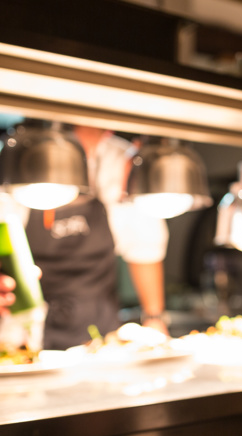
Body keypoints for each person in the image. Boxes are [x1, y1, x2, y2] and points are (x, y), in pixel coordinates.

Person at [1, 121, 170, 350]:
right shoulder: (15, 154)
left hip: (104, 336)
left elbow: (144, 248)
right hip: (27, 335)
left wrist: (154, 317)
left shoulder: (117, 160)